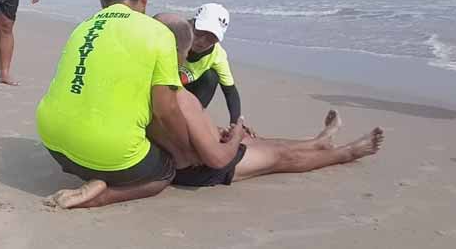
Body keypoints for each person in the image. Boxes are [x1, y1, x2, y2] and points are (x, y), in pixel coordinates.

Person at [153, 13, 385, 189]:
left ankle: (318, 142)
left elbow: (184, 128)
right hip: (203, 169)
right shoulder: (177, 97)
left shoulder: (150, 84)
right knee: (280, 156)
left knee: (258, 143)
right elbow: (216, 159)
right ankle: (346, 153)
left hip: (196, 156)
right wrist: (236, 135)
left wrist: (220, 131)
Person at [37, 0, 197, 209]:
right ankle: (102, 195)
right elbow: (166, 110)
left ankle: (96, 173)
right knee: (165, 172)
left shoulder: (82, 27)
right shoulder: (159, 33)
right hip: (107, 154)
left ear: (103, 1)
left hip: (53, 144)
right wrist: (185, 153)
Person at [179, 3, 242, 124]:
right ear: (192, 23)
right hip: (161, 87)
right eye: (200, 33)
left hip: (186, 93)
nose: (202, 41)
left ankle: (194, 118)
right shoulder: (175, 34)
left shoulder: (218, 55)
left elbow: (230, 92)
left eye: (211, 38)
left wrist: (235, 124)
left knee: (211, 77)